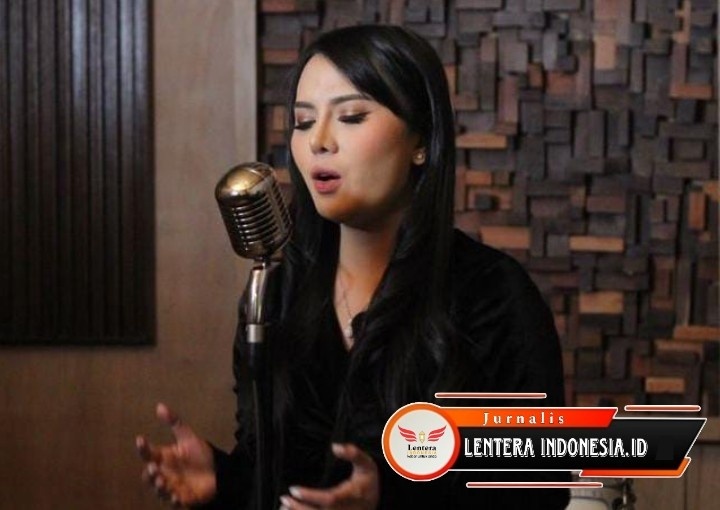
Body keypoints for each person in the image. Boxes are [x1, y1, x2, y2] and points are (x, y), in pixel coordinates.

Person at [136, 25, 570, 509]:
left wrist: (386, 501)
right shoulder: (277, 294)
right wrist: (225, 480)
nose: (319, 141)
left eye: (351, 116)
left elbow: (535, 488)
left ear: (421, 140)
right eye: (303, 122)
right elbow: (274, 472)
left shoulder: (493, 296)